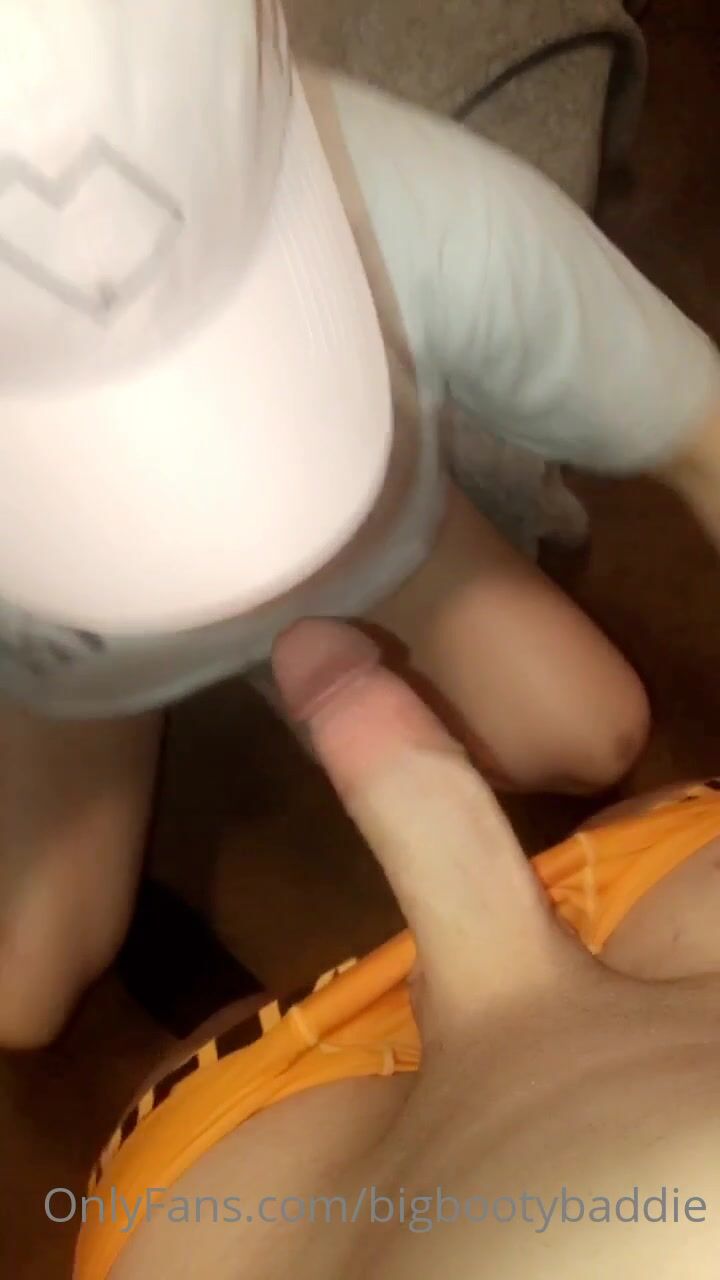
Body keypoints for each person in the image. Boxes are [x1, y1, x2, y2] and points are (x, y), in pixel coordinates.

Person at [1, 0, 720, 1051]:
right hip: (67, 652)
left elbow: (697, 420)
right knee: (17, 996)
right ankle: (126, 695)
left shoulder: (423, 213)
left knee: (593, 729)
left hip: (355, 553)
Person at [71, 618, 720, 1279]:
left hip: (277, 1202)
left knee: (209, 1039)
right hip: (678, 931)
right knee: (602, 755)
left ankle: (223, 1005)